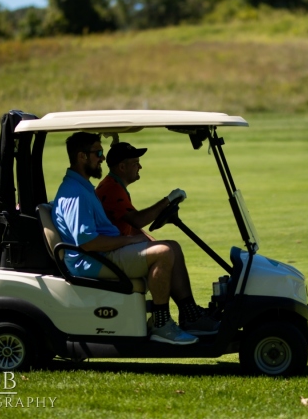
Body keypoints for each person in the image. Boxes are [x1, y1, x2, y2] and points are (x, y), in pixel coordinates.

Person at [51, 132, 218, 345]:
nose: (103, 158)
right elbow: (88, 242)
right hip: (92, 260)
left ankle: (189, 314)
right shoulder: (76, 193)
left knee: (171, 247)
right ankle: (161, 324)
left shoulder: (82, 187)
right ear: (82, 156)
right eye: (98, 153)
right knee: (164, 253)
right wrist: (129, 241)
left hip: (100, 255)